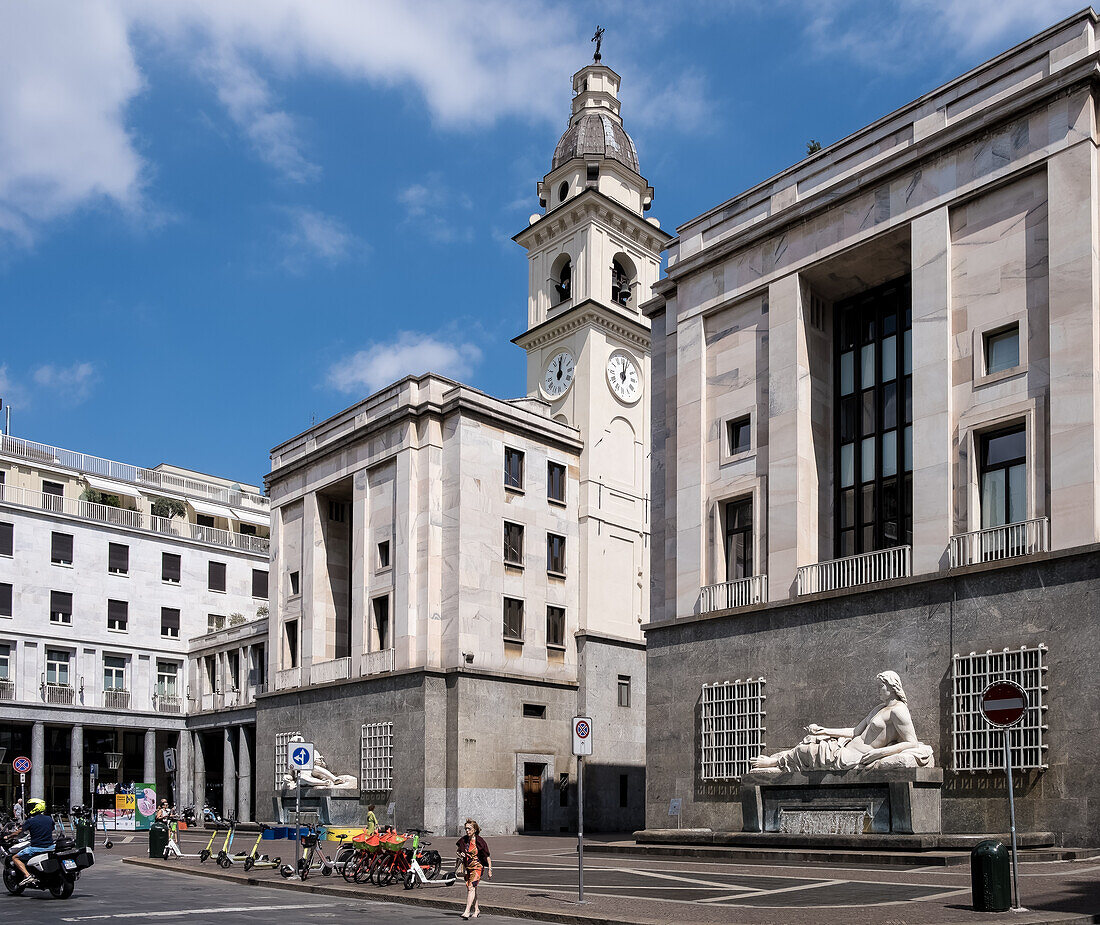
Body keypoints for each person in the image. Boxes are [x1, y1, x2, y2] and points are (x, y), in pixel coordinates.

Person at [751, 670, 934, 772]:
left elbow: (911, 742)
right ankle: (780, 760)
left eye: (881, 686)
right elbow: (854, 732)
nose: (878, 690)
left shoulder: (899, 711)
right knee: (812, 741)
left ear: (893, 688)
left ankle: (774, 763)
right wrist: (825, 730)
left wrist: (879, 754)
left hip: (854, 757)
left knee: (808, 751)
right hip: (845, 747)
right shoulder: (879, 708)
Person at [12, 798, 55, 887]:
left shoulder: (30, 821)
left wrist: (8, 836)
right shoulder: (49, 819)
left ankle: (28, 876)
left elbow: (19, 832)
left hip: (37, 848)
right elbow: (52, 828)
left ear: (36, 807)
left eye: (31, 806)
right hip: (50, 847)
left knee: (15, 857)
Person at [456, 818, 491, 919]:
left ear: (474, 829)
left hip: (477, 867)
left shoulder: (480, 841)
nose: (467, 831)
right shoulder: (464, 840)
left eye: (469, 829)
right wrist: (460, 853)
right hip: (468, 868)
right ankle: (476, 910)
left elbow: (487, 856)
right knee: (472, 888)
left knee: (471, 888)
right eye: (466, 829)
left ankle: (467, 911)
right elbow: (458, 851)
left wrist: (490, 869)